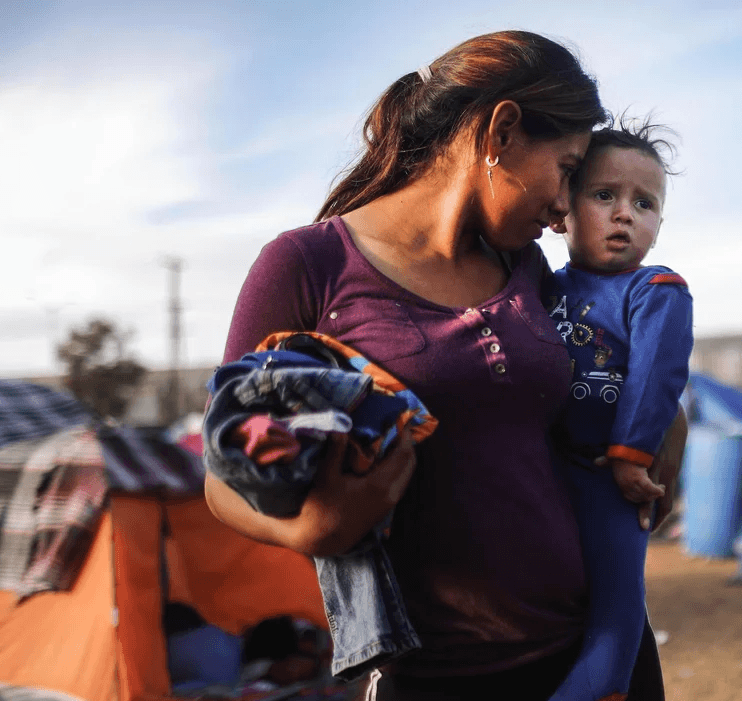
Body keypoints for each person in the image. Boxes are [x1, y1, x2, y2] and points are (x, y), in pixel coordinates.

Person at [202, 31, 684, 701]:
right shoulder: (307, 266)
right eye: (567, 167)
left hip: (586, 654)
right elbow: (220, 476)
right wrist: (311, 529)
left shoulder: (524, 267)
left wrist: (668, 417)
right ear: (503, 131)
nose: (567, 203)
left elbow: (590, 378)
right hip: (431, 675)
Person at [544, 119, 692, 700]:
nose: (625, 213)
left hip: (612, 480)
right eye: (604, 195)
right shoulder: (539, 286)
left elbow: (656, 378)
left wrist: (633, 457)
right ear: (564, 210)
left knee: (617, 611)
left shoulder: (656, 289)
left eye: (644, 202)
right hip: (546, 474)